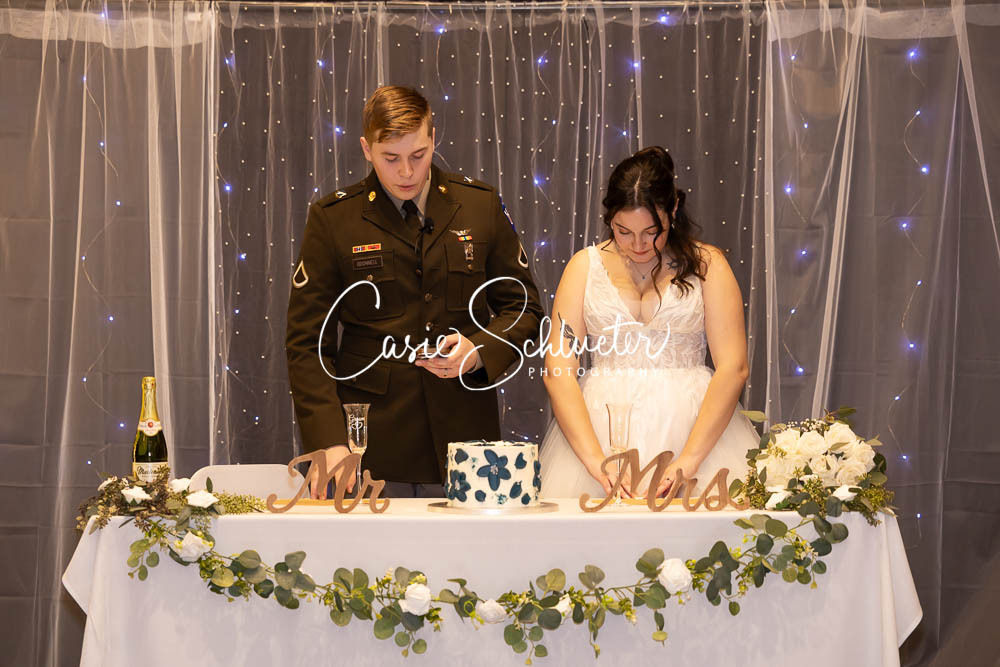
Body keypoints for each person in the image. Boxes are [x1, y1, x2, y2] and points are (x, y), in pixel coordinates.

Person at [286, 85, 544, 498]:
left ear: (433, 139)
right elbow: (307, 343)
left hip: (467, 443)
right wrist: (329, 440)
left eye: (418, 155)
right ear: (366, 149)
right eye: (391, 158)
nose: (406, 171)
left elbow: (525, 308)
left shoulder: (479, 204)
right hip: (367, 447)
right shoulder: (334, 218)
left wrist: (479, 350)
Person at [539, 146, 757, 499]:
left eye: (652, 231)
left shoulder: (707, 264)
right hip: (599, 433)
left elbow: (734, 367)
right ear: (609, 218)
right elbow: (558, 369)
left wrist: (690, 459)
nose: (638, 244)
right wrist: (595, 460)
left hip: (696, 433)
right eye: (623, 231)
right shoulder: (583, 267)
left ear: (673, 209)